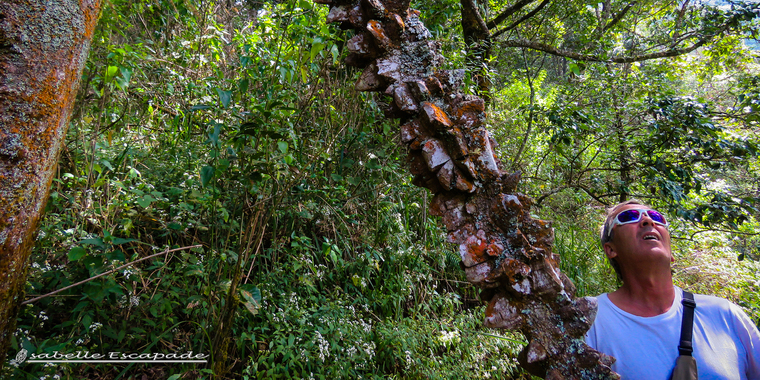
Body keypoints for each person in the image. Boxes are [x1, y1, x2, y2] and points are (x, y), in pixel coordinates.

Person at [585, 199, 760, 380]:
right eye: (629, 217)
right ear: (611, 249)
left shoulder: (724, 314)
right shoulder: (591, 320)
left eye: (656, 216)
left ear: (671, 252)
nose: (648, 221)